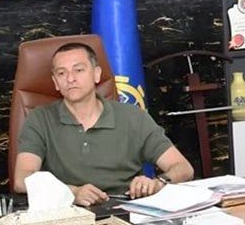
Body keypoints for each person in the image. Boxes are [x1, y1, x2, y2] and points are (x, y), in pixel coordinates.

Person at [13, 41, 194, 204]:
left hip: (128, 210)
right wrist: (72, 192)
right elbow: (22, 181)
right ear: (55, 82)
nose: (70, 79)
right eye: (61, 73)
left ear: (97, 74)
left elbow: (183, 168)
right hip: (69, 214)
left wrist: (157, 183)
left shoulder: (132, 117)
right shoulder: (40, 119)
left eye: (79, 70)